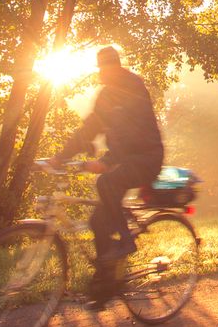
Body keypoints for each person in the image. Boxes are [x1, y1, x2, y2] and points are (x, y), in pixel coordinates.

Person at [49, 46, 164, 306]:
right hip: (125, 160)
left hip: (147, 158)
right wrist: (61, 157)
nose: (101, 73)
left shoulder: (133, 88)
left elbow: (133, 134)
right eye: (100, 69)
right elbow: (88, 129)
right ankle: (105, 289)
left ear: (116, 67)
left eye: (105, 68)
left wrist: (106, 161)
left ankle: (125, 242)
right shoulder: (105, 96)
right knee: (98, 222)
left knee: (106, 182)